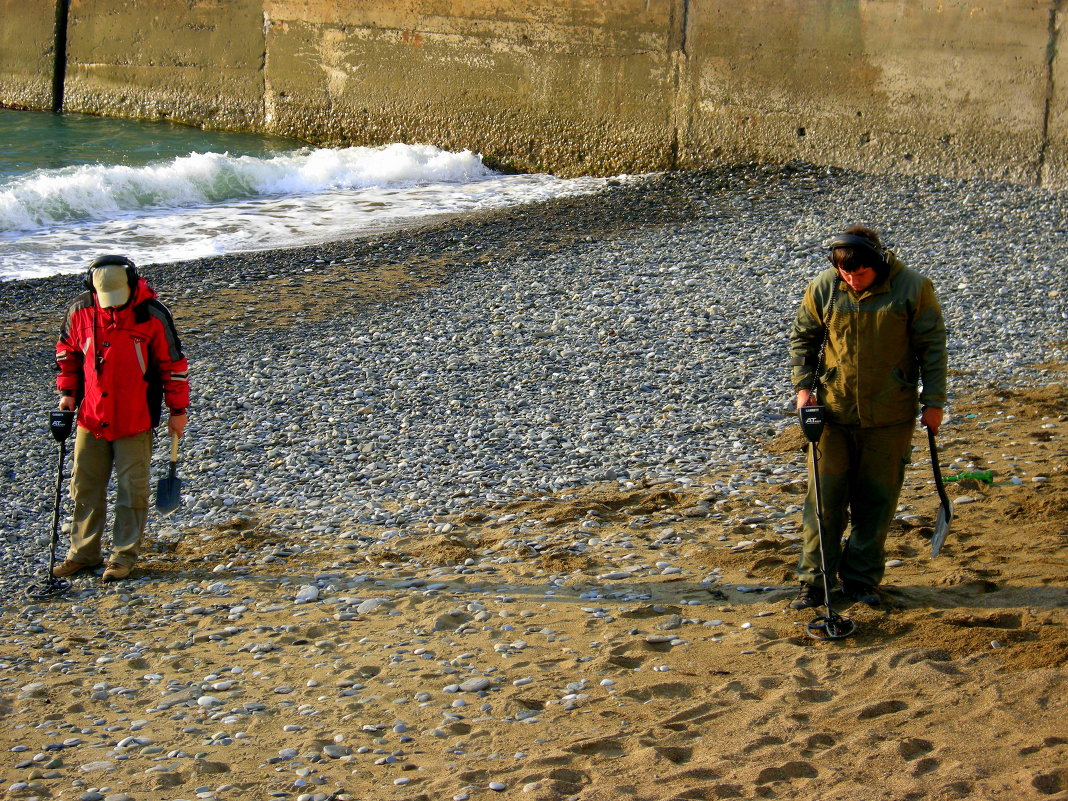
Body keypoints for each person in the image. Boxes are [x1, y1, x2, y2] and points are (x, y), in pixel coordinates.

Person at [787, 225, 946, 609]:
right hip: (832, 414)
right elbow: (803, 339)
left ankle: (861, 581)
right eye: (846, 273)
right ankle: (815, 582)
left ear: (878, 263)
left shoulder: (913, 288)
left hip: (890, 417)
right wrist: (803, 389)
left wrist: (935, 402)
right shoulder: (825, 287)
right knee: (823, 501)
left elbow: (932, 346)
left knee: (876, 502)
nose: (853, 280)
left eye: (860, 274)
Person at [52, 255, 189, 582]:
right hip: (91, 417)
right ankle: (83, 553)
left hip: (135, 418)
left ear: (132, 284)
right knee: (85, 488)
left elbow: (174, 366)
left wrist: (178, 411)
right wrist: (67, 394)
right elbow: (66, 355)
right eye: (105, 300)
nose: (111, 306)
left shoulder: (153, 314)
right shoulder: (79, 312)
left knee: (132, 490)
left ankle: (123, 557)